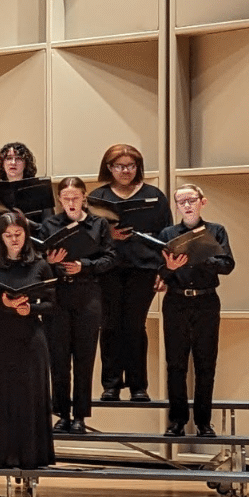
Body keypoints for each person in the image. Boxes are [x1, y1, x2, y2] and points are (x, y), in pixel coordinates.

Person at [0, 211, 56, 485]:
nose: (14, 240)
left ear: (26, 234)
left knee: (28, 396)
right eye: (8, 235)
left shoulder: (40, 265)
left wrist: (31, 308)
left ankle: (29, 457)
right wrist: (4, 304)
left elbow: (52, 303)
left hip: (29, 337)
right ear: (0, 237)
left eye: (18, 234)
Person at [92, 143, 172, 404]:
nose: (125, 171)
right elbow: (87, 236)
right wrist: (109, 235)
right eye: (119, 166)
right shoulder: (98, 197)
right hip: (108, 269)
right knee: (110, 324)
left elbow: (167, 235)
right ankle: (111, 385)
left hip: (144, 268)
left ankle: (138, 386)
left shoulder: (154, 196)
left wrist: (164, 271)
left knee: (135, 325)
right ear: (109, 168)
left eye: (130, 166)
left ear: (138, 167)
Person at [158, 183, 235, 438]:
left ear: (203, 201)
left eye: (191, 200)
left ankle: (204, 423)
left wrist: (201, 256)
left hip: (206, 301)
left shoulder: (216, 231)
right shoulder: (168, 233)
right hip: (176, 301)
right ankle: (177, 421)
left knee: (206, 363)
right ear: (177, 206)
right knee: (175, 363)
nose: (187, 205)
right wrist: (169, 267)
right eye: (181, 202)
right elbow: (158, 271)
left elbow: (227, 265)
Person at [42, 175, 114, 433]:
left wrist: (84, 265)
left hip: (87, 293)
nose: (71, 202)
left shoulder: (98, 224)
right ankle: (61, 414)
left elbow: (110, 258)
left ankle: (80, 415)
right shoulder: (50, 224)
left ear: (84, 197)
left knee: (85, 357)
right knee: (58, 358)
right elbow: (38, 260)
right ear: (59, 200)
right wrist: (50, 262)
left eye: (75, 197)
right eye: (66, 198)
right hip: (58, 295)